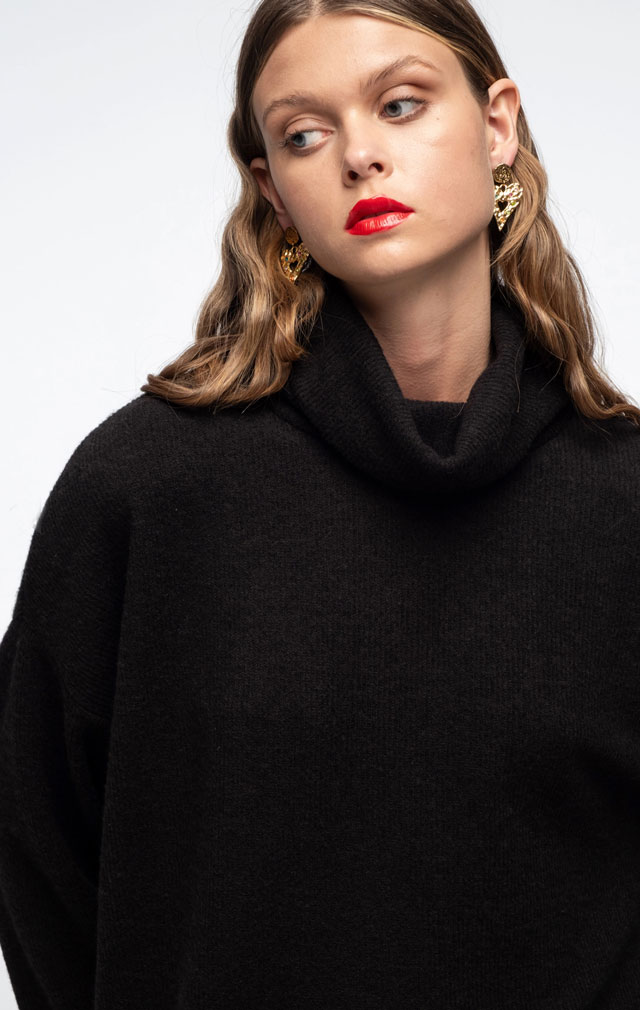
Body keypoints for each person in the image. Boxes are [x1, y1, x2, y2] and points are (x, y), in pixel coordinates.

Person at [1, 0, 639, 1007]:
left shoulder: (622, 501)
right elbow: (33, 845)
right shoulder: (148, 489)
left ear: (497, 124)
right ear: (273, 189)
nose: (359, 155)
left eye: (400, 104)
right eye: (304, 134)